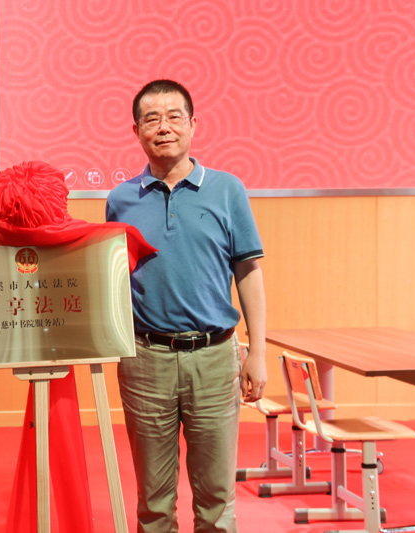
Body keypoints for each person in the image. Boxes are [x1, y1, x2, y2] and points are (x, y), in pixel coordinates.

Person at [105, 79, 267, 532]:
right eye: (152, 119)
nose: (164, 127)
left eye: (174, 116)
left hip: (215, 359)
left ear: (193, 125)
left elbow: (248, 271)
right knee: (154, 502)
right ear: (136, 130)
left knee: (216, 500)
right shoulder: (120, 200)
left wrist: (257, 351)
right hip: (144, 361)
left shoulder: (227, 189)